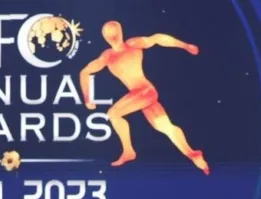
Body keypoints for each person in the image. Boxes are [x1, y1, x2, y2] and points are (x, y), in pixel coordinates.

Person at [79, 20, 209, 172]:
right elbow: (85, 72)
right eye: (109, 34)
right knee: (164, 126)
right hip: (141, 95)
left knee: (113, 113)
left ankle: (128, 151)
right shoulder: (107, 56)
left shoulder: (132, 44)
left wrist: (185, 46)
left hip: (144, 91)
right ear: (105, 37)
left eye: (114, 33)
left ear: (120, 32)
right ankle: (193, 154)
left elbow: (157, 38)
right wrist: (87, 98)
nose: (112, 37)